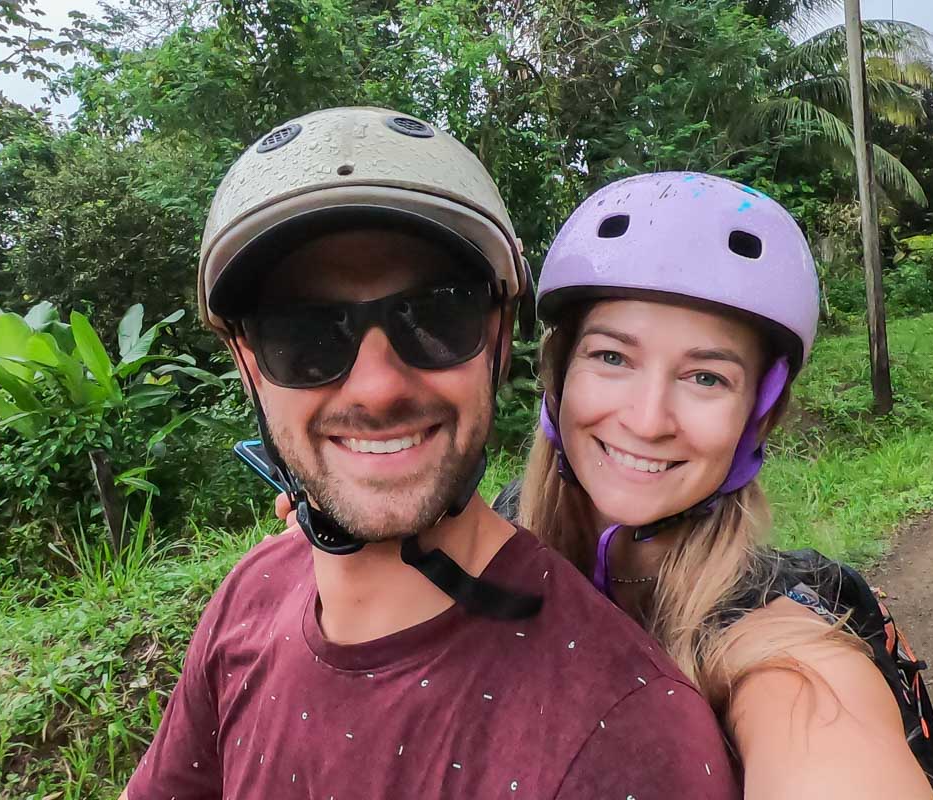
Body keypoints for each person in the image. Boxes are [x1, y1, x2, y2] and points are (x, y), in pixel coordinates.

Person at [122, 110, 738, 799]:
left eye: (436, 315)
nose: (379, 388)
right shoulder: (249, 596)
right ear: (248, 363)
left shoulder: (627, 736)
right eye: (303, 333)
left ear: (500, 338)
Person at [508, 172, 933, 799]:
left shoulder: (775, 637)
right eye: (612, 357)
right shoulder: (490, 550)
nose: (648, 419)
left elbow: (826, 740)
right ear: (558, 374)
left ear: (758, 414)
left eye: (706, 378)